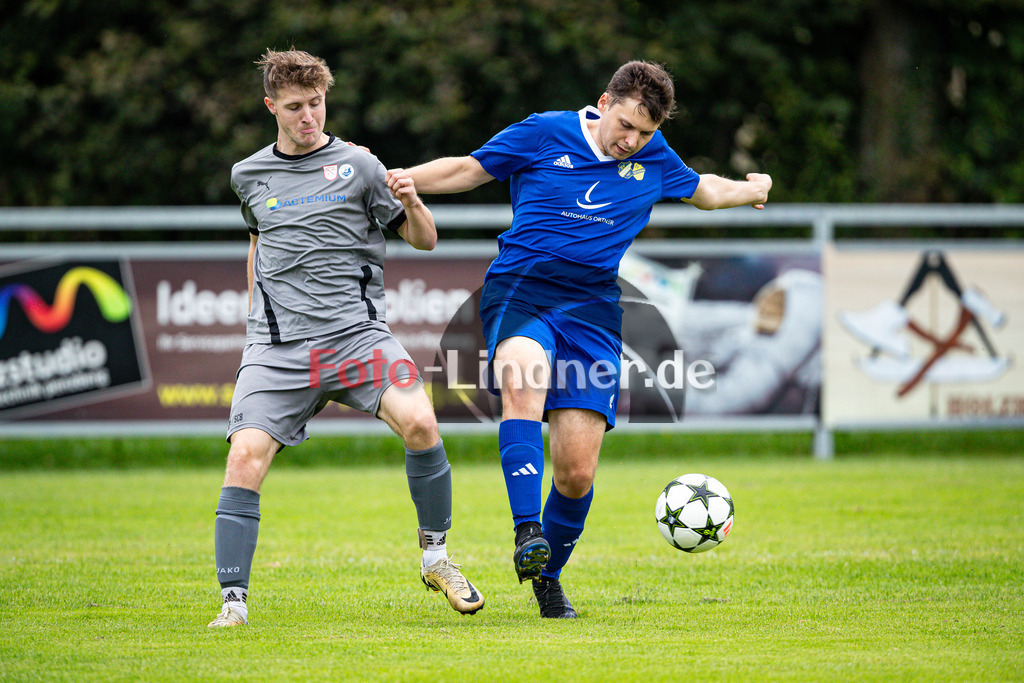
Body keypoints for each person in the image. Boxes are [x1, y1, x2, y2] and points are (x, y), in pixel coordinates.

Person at [387, 60, 771, 618]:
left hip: (593, 311)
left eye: (645, 133)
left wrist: (750, 187)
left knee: (576, 472)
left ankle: (549, 579)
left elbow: (704, 190)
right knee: (523, 376)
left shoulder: (654, 158)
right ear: (604, 102)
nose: (631, 141)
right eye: (626, 126)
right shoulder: (545, 131)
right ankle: (526, 531)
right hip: (522, 291)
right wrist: (390, 177)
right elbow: (469, 169)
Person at [208, 49, 484, 627]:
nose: (308, 116)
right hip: (278, 350)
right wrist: (258, 321)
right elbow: (259, 240)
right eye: (294, 107)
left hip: (360, 340)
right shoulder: (248, 175)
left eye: (316, 104)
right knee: (243, 458)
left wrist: (411, 201)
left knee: (422, 422)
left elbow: (424, 239)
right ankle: (232, 606)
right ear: (270, 107)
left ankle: (436, 555)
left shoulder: (359, 165)